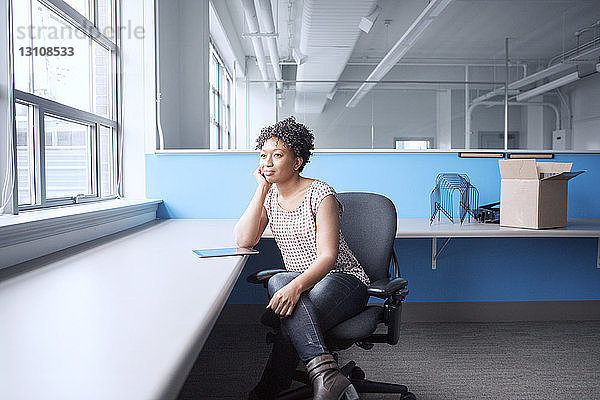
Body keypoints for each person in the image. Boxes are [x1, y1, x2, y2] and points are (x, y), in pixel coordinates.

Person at [234, 116, 370, 400]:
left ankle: (267, 391)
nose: (267, 162)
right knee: (281, 279)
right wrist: (261, 188)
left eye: (278, 155)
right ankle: (327, 375)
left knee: (290, 312)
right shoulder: (270, 198)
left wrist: (295, 288)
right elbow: (244, 240)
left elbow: (329, 257)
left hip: (342, 280)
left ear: (297, 162)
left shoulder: (321, 193)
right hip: (302, 283)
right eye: (263, 155)